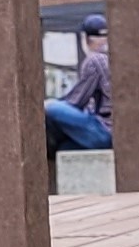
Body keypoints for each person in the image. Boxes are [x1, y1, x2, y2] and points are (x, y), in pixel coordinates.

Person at [46, 14, 115, 157]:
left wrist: (49, 103)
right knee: (64, 148)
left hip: (104, 132)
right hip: (118, 135)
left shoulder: (94, 59)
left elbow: (76, 101)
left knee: (51, 108)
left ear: (85, 38)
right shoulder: (115, 57)